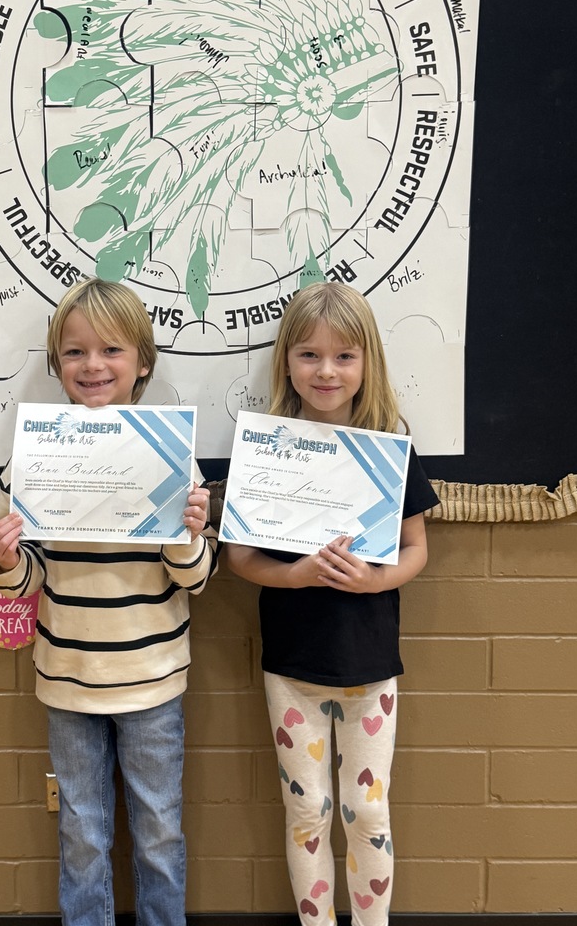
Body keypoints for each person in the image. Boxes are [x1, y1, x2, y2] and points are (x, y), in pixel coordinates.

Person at [0, 278, 217, 926]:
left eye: (111, 350)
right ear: (57, 363)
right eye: (75, 352)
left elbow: (195, 581)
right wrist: (4, 562)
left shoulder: (173, 459)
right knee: (83, 840)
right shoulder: (28, 460)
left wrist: (189, 533)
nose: (92, 366)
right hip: (67, 684)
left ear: (143, 361)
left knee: (160, 835)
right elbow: (27, 580)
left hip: (152, 684)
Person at [225, 282, 439, 926]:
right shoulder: (267, 451)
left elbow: (416, 548)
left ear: (367, 361)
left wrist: (376, 582)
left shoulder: (388, 448)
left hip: (370, 666)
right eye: (309, 355)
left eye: (344, 356)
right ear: (286, 362)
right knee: (307, 810)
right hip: (292, 666)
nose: (326, 371)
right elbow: (240, 559)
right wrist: (301, 576)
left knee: (368, 811)